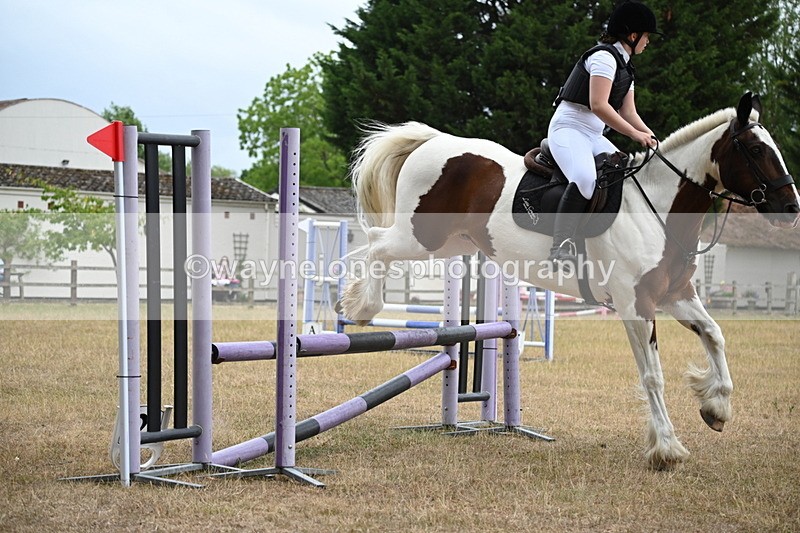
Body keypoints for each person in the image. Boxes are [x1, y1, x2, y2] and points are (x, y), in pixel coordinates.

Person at [547, 0, 661, 266]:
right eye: (646, 36)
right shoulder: (603, 58)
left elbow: (629, 113)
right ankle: (560, 246)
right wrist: (635, 135)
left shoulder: (627, 67)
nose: (648, 42)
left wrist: (651, 136)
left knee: (620, 171)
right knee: (586, 178)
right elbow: (599, 105)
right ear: (632, 36)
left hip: (593, 135)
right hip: (569, 128)